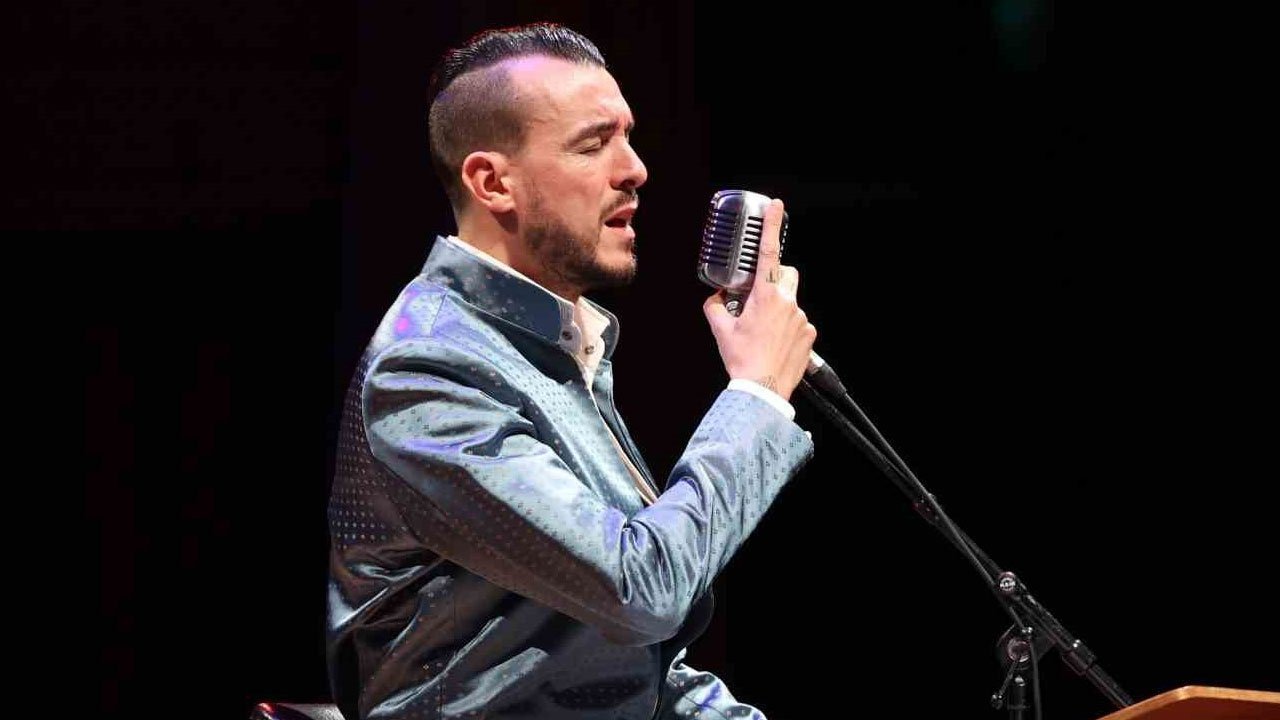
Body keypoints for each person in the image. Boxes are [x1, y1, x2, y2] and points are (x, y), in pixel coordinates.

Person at [326, 22, 818, 720]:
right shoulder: (428, 369)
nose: (635, 169)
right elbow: (642, 591)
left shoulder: (554, 347)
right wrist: (757, 395)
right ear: (492, 182)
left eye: (628, 136)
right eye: (593, 144)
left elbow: (632, 665)